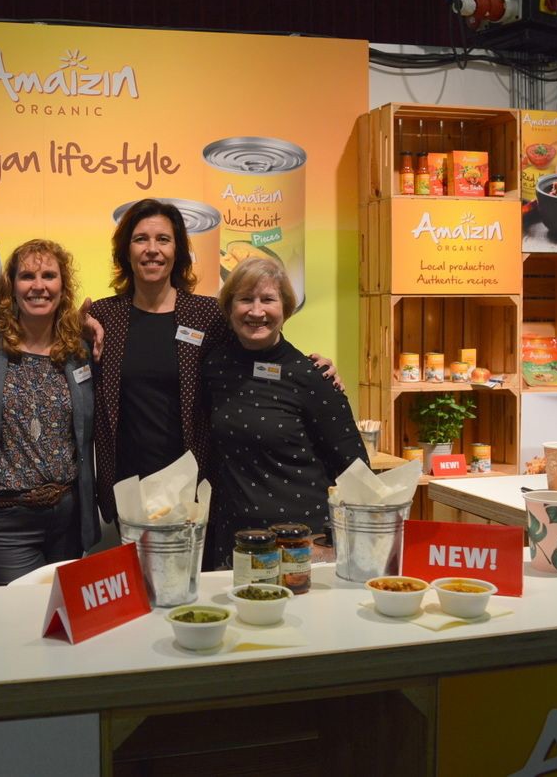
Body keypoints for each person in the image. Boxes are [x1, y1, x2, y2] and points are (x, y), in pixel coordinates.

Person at [84, 199, 339, 527]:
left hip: (196, 486)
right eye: (140, 239)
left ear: (178, 250)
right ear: (125, 251)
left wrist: (310, 371)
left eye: (163, 239)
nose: (152, 249)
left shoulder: (208, 315)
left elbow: (260, 348)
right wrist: (73, 326)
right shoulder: (105, 315)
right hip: (128, 485)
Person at [202, 257, 367, 569]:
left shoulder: (312, 376)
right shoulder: (214, 367)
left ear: (286, 308)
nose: (256, 311)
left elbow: (356, 471)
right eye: (245, 299)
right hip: (234, 539)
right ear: (229, 308)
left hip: (301, 544)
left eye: (268, 299)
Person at [0, 240, 99, 584]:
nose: (38, 286)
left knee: (62, 610)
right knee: (24, 609)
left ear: (63, 286)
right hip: (7, 520)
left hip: (68, 519)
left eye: (49, 276)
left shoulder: (79, 352)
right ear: (11, 286)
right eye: (27, 276)